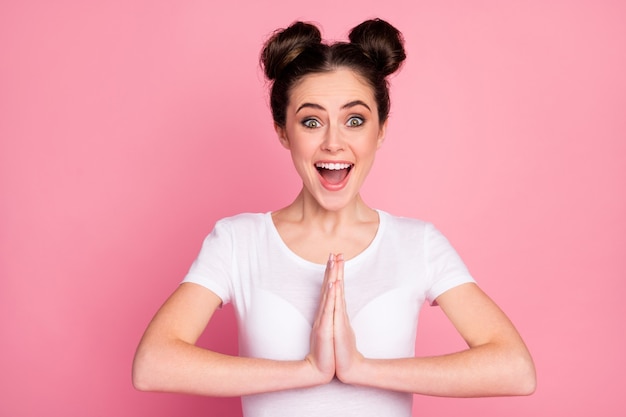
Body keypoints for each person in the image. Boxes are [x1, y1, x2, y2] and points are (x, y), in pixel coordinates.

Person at [132, 18, 536, 417]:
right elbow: (153, 364)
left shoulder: (418, 244)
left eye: (355, 120)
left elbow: (515, 370)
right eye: (311, 121)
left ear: (380, 131)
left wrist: (361, 369)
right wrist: (308, 371)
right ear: (283, 131)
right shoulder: (239, 241)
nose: (333, 142)